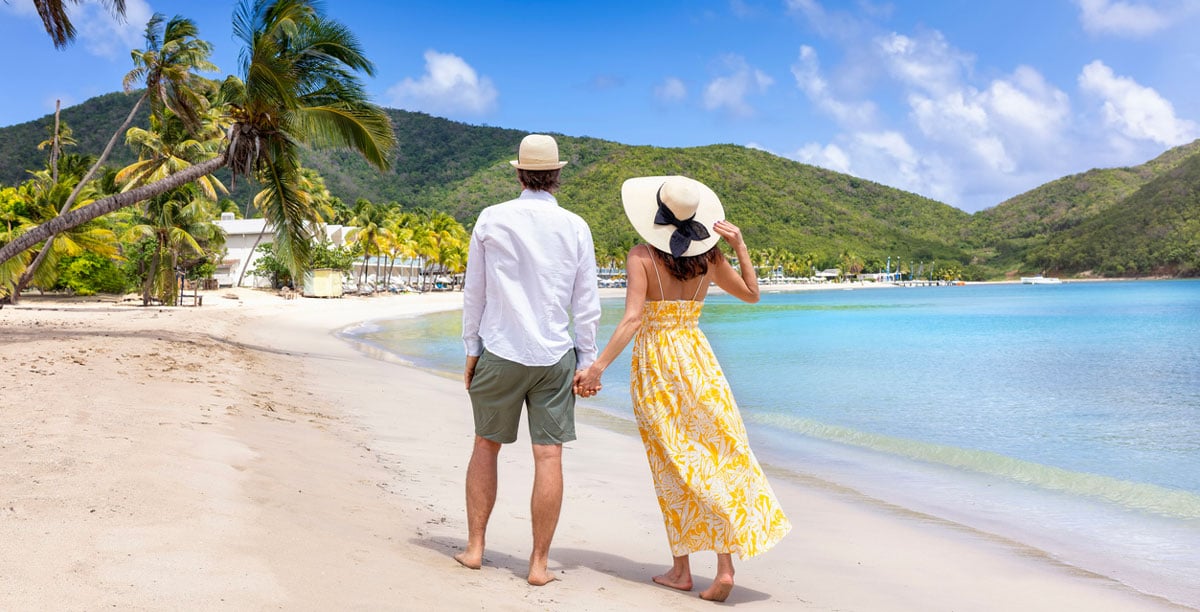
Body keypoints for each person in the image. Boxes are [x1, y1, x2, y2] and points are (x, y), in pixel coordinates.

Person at [573, 176, 790, 602]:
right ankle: (723, 567)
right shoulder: (708, 256)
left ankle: (682, 571)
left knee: (671, 466)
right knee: (715, 458)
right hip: (699, 363)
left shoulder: (641, 256)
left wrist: (596, 368)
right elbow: (752, 295)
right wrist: (740, 245)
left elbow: (634, 320)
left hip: (658, 367)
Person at [457, 134, 601, 586]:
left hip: (501, 348)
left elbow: (474, 292)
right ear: (557, 176)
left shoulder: (491, 218)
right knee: (549, 457)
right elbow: (587, 302)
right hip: (555, 355)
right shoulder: (576, 226)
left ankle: (476, 548)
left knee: (486, 445)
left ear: (518, 173)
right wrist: (588, 359)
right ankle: (538, 565)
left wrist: (471, 350)